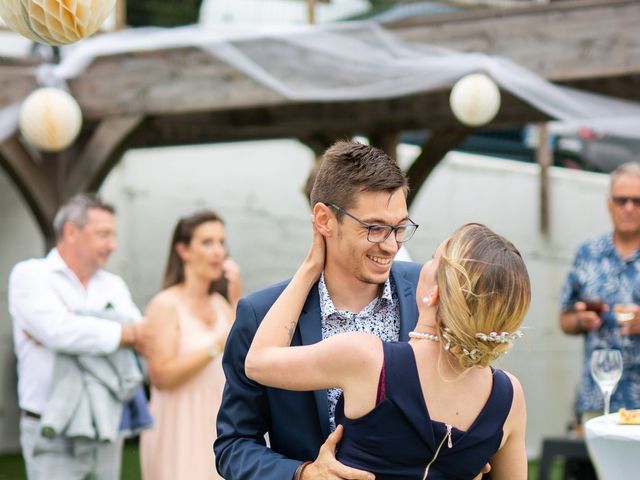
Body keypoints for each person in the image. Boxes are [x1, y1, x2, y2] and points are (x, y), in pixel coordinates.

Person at [246, 222, 529, 479]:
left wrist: (311, 267)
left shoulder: (368, 359)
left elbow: (258, 362)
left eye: (433, 259)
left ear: (436, 294)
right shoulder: (509, 397)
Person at [215, 140, 423, 480]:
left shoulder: (428, 294)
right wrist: (303, 474)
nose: (391, 245)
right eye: (374, 228)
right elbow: (233, 445)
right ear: (325, 220)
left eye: (399, 227)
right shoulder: (259, 316)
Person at [8, 193, 149, 480]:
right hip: (50, 428)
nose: (113, 245)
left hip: (107, 424)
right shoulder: (30, 275)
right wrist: (122, 333)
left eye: (114, 234)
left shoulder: (114, 284)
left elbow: (143, 338)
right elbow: (58, 332)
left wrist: (74, 327)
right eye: (103, 234)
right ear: (71, 231)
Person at [139, 210, 240, 480]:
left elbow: (241, 362)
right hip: (179, 427)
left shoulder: (221, 305)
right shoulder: (165, 305)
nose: (218, 251)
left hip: (217, 426)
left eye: (222, 242)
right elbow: (160, 376)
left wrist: (236, 300)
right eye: (207, 243)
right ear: (183, 250)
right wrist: (216, 344)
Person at [559, 161, 640, 422]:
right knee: (599, 463)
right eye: (621, 200)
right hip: (598, 394)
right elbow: (565, 319)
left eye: (637, 201)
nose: (629, 208)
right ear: (609, 203)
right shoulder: (588, 253)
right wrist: (581, 320)